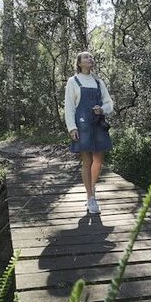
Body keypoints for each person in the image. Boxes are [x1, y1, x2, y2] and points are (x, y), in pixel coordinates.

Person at [64, 51, 113, 214]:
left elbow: (109, 103)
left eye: (91, 57)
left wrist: (102, 109)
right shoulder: (73, 81)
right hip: (82, 124)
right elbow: (69, 107)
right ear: (79, 63)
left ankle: (92, 188)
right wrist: (72, 127)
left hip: (98, 123)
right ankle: (90, 198)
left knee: (98, 161)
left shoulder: (98, 81)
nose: (90, 59)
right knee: (87, 161)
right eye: (86, 57)